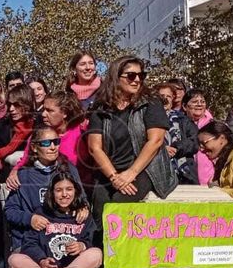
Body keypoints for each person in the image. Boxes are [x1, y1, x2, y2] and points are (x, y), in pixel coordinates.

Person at [87, 56, 176, 222]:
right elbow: (94, 147)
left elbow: (155, 141)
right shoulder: (101, 106)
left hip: (146, 169)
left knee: (118, 205)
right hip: (111, 169)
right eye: (131, 76)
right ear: (116, 77)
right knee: (100, 208)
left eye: (141, 75)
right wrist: (114, 177)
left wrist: (131, 173)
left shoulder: (150, 103)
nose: (137, 80)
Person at [8, 172, 101, 268]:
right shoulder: (41, 213)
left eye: (69, 189)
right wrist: (42, 260)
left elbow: (92, 240)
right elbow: (29, 243)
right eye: (58, 190)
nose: (64, 194)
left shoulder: (83, 215)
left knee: (96, 254)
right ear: (52, 193)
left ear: (76, 191)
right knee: (14, 259)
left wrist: (82, 246)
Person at [5, 127, 87, 252]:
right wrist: (30, 219)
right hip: (30, 240)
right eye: (46, 143)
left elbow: (82, 199)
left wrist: (83, 208)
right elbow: (10, 211)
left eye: (56, 142)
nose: (53, 147)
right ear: (34, 147)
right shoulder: (23, 176)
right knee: (17, 260)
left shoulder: (69, 169)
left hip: (64, 238)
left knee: (94, 254)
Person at [8, 90, 90, 189]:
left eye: (49, 110)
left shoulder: (82, 132)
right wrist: (14, 172)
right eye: (43, 109)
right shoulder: (39, 135)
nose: (43, 114)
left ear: (65, 113)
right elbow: (25, 159)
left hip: (83, 188)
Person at [0, 85, 35, 184]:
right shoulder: (1, 126)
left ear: (26, 104)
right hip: (6, 180)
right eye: (9, 104)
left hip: (33, 180)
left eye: (16, 105)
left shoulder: (39, 124)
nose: (11, 109)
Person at [155, 83, 199, 184]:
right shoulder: (146, 118)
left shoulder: (183, 119)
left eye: (168, 96)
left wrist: (176, 148)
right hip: (158, 171)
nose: (165, 99)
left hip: (184, 174)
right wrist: (161, 149)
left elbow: (195, 141)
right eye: (162, 96)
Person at [184, 89, 215, 186]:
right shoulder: (178, 125)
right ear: (184, 106)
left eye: (202, 101)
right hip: (186, 178)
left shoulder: (213, 126)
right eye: (194, 102)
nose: (199, 104)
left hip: (209, 179)